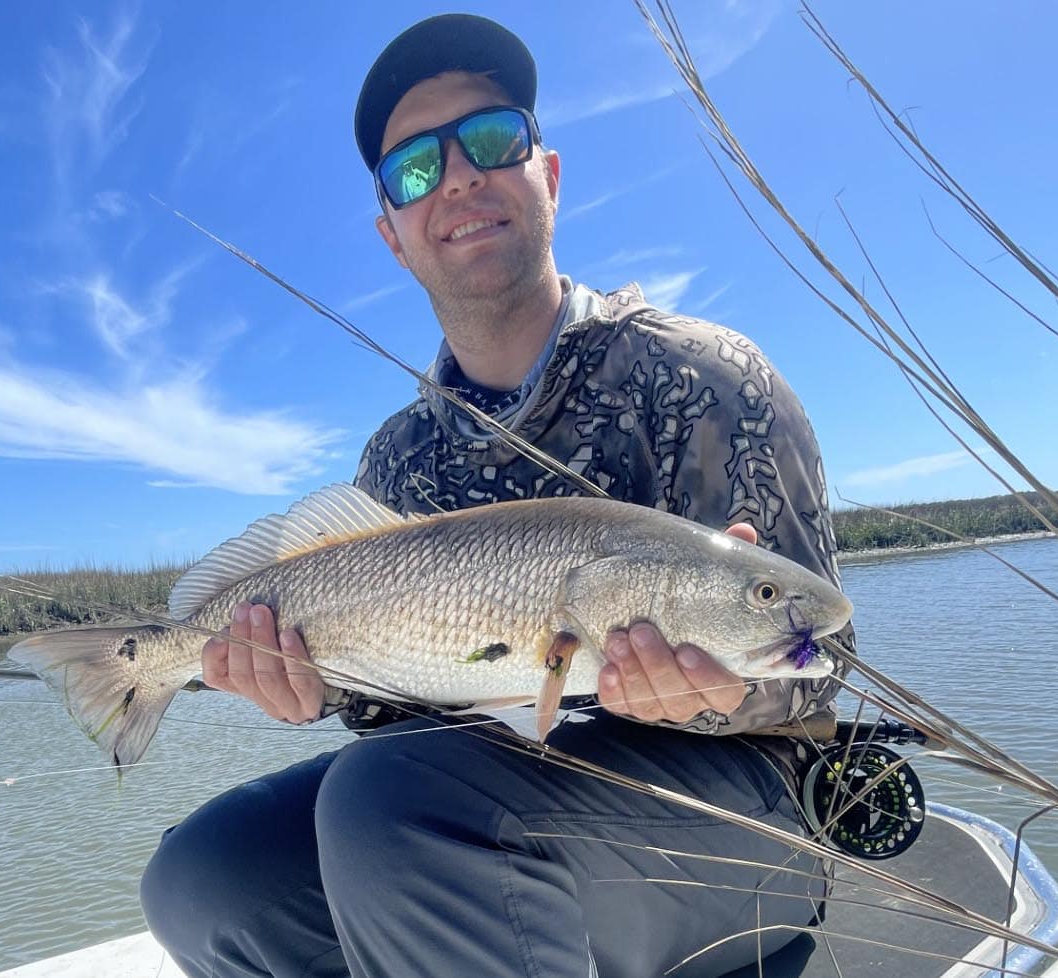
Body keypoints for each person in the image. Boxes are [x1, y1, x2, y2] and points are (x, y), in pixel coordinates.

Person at [141, 14, 850, 978]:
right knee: (206, 876)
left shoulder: (709, 376)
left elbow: (823, 656)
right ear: (393, 238)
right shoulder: (396, 458)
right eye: (414, 169)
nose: (458, 178)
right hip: (481, 789)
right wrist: (312, 685)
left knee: (390, 805)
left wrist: (722, 693)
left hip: (746, 821)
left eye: (489, 138)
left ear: (547, 175)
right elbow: (404, 722)